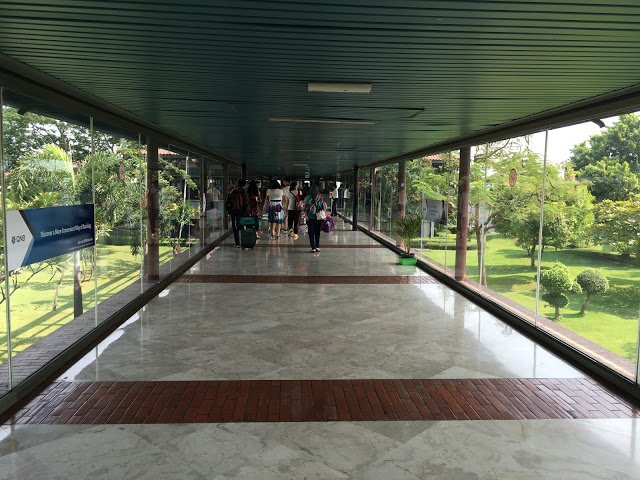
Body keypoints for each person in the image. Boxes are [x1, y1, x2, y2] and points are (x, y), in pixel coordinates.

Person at [225, 178, 248, 248]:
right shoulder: (244, 192)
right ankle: (244, 242)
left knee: (235, 227)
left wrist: (230, 211)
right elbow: (246, 204)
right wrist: (246, 213)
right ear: (245, 185)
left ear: (238, 184)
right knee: (243, 227)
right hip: (242, 212)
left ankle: (237, 243)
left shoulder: (233, 192)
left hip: (234, 212)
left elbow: (227, 203)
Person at [304, 185, 326, 253]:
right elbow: (323, 207)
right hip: (318, 217)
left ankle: (313, 247)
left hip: (310, 217)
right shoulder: (320, 197)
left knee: (311, 233)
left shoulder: (308, 197)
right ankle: (317, 247)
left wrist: (306, 215)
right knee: (317, 232)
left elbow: (305, 207)